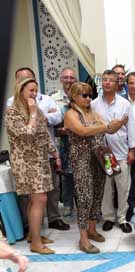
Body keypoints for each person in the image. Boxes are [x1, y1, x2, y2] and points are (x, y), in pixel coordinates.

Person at [64, 82, 127, 253]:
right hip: (82, 162)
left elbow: (109, 130)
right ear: (74, 96)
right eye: (84, 95)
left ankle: (92, 230)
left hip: (99, 160)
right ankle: (83, 239)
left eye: (90, 95)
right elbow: (82, 131)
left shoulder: (94, 113)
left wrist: (119, 123)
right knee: (84, 199)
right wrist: (106, 126)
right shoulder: (71, 114)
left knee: (97, 195)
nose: (88, 98)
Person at [5, 78, 61, 254]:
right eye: (31, 90)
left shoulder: (35, 109)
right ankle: (36, 243)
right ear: (20, 90)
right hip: (25, 163)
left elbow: (43, 134)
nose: (34, 94)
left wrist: (55, 153)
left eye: (36, 90)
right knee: (40, 199)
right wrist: (33, 113)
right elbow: (28, 134)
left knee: (35, 199)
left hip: (40, 160)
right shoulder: (12, 112)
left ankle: (32, 234)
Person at [92, 70, 135, 234]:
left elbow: (131, 127)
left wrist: (132, 150)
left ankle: (122, 218)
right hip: (103, 154)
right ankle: (109, 218)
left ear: (117, 83)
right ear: (101, 82)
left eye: (111, 80)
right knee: (106, 188)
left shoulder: (124, 104)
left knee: (123, 187)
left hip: (121, 153)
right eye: (104, 80)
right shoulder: (94, 104)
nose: (107, 83)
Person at [51, 67, 77, 217]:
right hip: (62, 143)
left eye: (71, 78)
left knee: (80, 175)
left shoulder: (81, 96)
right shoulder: (53, 99)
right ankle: (67, 204)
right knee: (66, 176)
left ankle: (82, 204)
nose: (68, 80)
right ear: (61, 79)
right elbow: (50, 124)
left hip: (79, 142)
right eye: (66, 77)